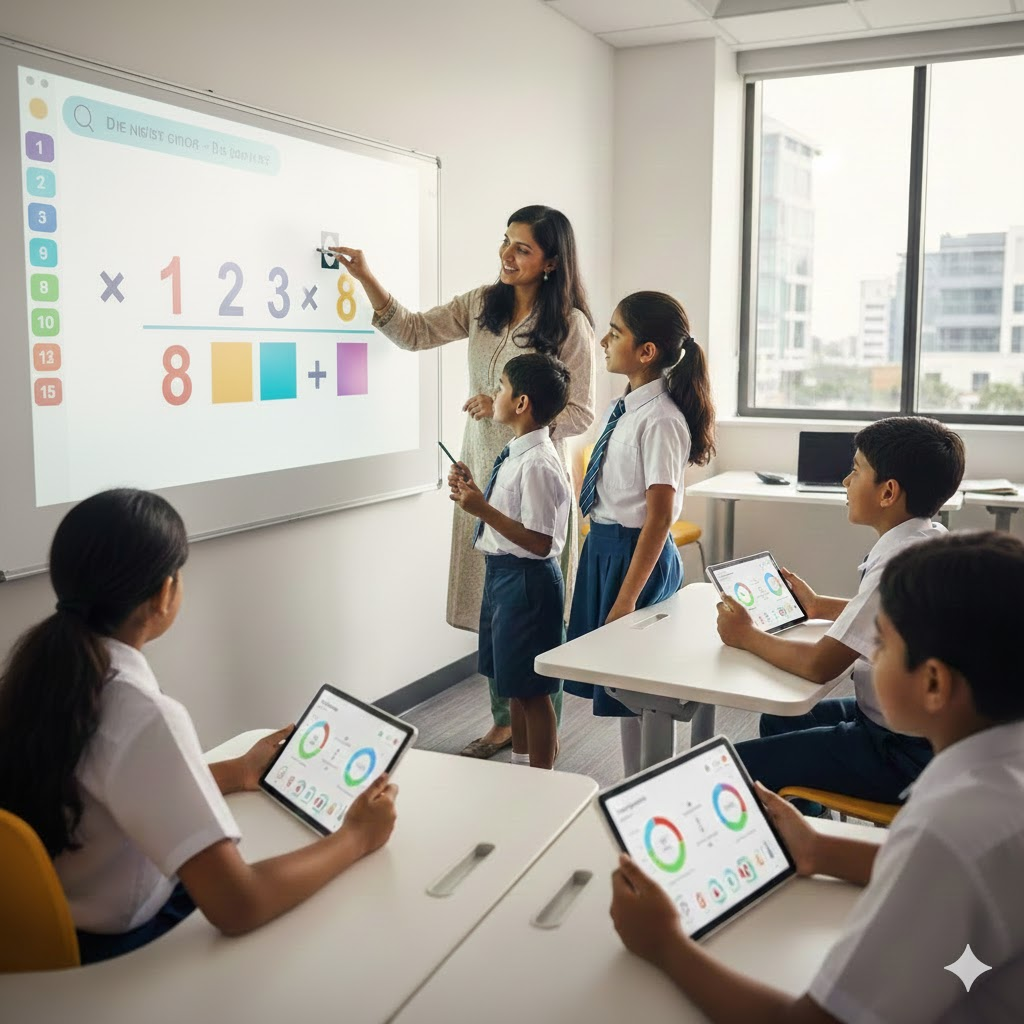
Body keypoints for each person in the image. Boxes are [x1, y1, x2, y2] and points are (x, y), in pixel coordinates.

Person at [610, 531, 1024, 1023]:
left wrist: (664, 944)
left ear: (933, 683)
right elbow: (969, 871)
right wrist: (822, 850)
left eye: (880, 645)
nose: (867, 656)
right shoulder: (993, 780)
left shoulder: (947, 831)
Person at [0, 489, 398, 963]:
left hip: (49, 926)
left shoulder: (38, 676)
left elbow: (109, 788)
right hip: (116, 947)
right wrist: (356, 837)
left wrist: (238, 771)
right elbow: (238, 903)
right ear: (165, 593)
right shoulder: (140, 711)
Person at [331, 205, 595, 759]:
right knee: (495, 609)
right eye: (505, 242)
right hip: (481, 481)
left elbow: (582, 414)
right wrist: (366, 277)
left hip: (536, 484)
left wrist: (511, 411)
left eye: (523, 248)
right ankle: (505, 724)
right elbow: (413, 331)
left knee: (538, 619)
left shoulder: (569, 325)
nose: (507, 254)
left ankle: (540, 731)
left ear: (551, 262)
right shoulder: (481, 304)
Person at [717, 416, 965, 810]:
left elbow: (819, 665)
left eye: (855, 471)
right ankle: (807, 822)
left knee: (737, 766)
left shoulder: (896, 564)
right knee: (782, 719)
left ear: (888, 493)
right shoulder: (928, 538)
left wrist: (745, 635)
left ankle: (803, 832)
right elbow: (882, 619)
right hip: (914, 729)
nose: (846, 482)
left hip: (902, 754)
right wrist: (817, 607)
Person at [564, 291, 716, 777]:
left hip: (636, 555)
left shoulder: (663, 419)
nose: (604, 341)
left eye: (616, 332)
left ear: (646, 351)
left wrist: (627, 598)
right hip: (604, 549)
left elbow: (659, 518)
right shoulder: (625, 408)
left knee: (641, 687)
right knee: (621, 686)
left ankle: (646, 783)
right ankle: (638, 780)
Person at [450, 353, 571, 769]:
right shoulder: (518, 453)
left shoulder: (538, 463)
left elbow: (540, 542)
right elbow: (512, 516)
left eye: (501, 387)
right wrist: (474, 491)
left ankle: (542, 780)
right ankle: (521, 770)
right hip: (504, 578)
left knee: (532, 693)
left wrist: (481, 510)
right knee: (515, 687)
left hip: (527, 582)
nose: (494, 395)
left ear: (521, 404)